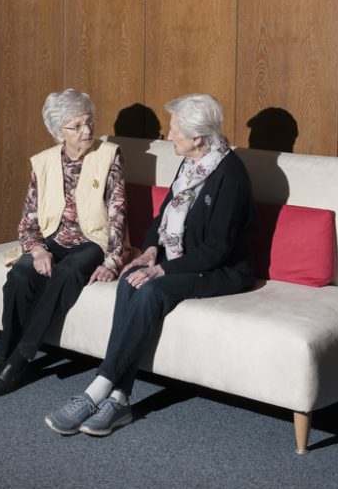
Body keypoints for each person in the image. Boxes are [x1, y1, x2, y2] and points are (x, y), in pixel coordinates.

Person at [44, 93, 255, 436]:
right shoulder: (192, 162)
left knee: (151, 289)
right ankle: (120, 399)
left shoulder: (229, 175)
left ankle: (97, 389)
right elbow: (164, 215)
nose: (169, 135)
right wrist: (151, 251)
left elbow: (218, 249)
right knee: (130, 279)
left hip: (222, 270)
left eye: (174, 130)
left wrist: (162, 270)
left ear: (198, 137)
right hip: (181, 261)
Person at [0, 89, 127, 398]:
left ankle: (19, 359)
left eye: (89, 121)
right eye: (77, 125)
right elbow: (29, 220)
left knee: (65, 274)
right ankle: (2, 354)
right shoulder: (43, 163)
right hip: (52, 239)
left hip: (92, 242)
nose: (87, 130)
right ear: (58, 133)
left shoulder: (110, 155)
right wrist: (38, 249)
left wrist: (112, 261)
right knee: (19, 276)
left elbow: (118, 212)